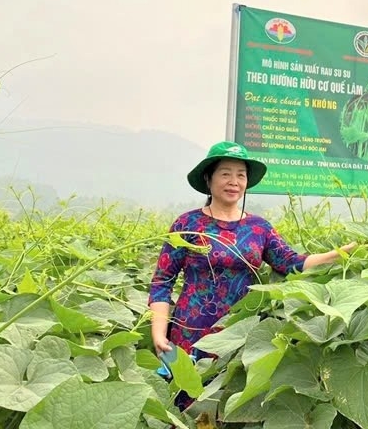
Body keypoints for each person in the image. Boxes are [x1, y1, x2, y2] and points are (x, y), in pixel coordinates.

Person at [148, 141, 356, 396]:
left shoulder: (259, 228)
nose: (233, 181)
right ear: (208, 178)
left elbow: (290, 263)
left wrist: (338, 255)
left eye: (240, 175)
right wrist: (159, 334)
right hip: (191, 331)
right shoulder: (188, 223)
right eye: (225, 173)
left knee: (230, 401)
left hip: (241, 331)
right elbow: (162, 281)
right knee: (187, 400)